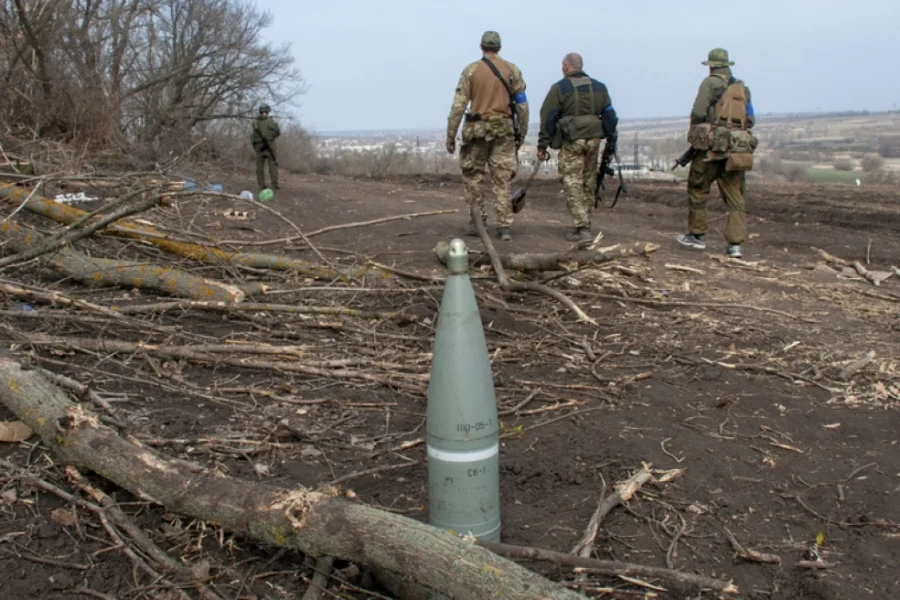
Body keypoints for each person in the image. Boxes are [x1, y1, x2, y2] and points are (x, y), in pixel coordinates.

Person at [446, 31, 529, 241]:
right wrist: (522, 133)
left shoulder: (471, 71)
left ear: (481, 47)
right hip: (504, 132)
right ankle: (504, 227)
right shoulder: (512, 71)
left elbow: (458, 106)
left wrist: (450, 135)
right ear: (499, 48)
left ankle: (477, 223)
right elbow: (522, 105)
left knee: (473, 177)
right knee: (502, 180)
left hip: (477, 132)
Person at [676, 48, 756, 258]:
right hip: (736, 151)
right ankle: (735, 245)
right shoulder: (742, 88)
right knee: (735, 198)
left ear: (711, 65)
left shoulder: (709, 83)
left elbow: (699, 112)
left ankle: (697, 236)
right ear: (728, 65)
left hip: (711, 150)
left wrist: (700, 132)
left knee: (698, 188)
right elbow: (752, 119)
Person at [536, 53, 618, 242]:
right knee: (588, 180)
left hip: (573, 140)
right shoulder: (599, 87)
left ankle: (582, 228)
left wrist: (542, 145)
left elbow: (548, 117)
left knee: (571, 181)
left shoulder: (560, 88)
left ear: (566, 66)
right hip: (594, 140)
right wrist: (610, 143)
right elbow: (610, 116)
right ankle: (585, 222)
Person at [251, 104, 281, 191]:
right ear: (267, 111)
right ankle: (274, 185)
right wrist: (270, 136)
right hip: (270, 146)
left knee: (259, 167)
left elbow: (253, 136)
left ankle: (261, 185)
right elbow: (278, 132)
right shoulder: (270, 121)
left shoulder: (255, 122)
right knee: (272, 165)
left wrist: (255, 146)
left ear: (260, 111)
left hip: (258, 147)